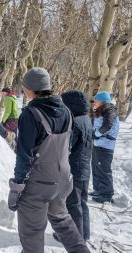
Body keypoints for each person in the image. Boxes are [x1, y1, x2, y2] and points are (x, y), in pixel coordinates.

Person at [7, 67, 89, 253]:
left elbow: (24, 156)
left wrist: (16, 186)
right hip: (63, 180)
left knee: (32, 233)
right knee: (62, 220)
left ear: (31, 89)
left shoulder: (31, 114)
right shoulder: (66, 111)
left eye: (24, 86)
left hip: (39, 184)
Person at [57, 90, 92, 241]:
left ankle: (76, 237)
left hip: (75, 169)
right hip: (84, 168)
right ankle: (84, 233)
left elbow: (67, 147)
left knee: (73, 203)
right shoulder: (86, 118)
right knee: (82, 202)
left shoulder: (75, 122)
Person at [90, 91, 119, 203]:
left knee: (104, 170)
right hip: (99, 145)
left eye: (96, 100)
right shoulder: (101, 111)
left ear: (102, 101)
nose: (94, 103)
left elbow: (107, 125)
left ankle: (106, 194)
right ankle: (98, 189)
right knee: (96, 168)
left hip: (106, 146)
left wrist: (96, 134)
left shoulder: (110, 111)